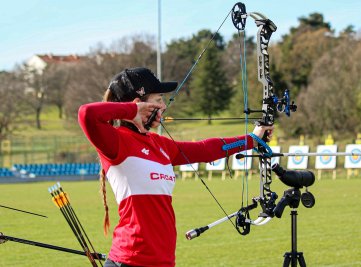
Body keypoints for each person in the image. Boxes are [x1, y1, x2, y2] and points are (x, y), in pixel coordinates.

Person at [78, 67, 273, 267]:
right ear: (139, 103)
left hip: (163, 261)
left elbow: (206, 150)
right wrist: (131, 110)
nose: (164, 105)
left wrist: (252, 139)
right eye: (158, 99)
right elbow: (86, 114)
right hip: (130, 260)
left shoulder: (161, 145)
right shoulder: (115, 141)